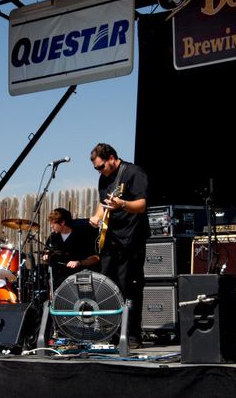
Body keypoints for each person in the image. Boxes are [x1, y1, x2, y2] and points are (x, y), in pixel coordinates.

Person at [88, 143, 148, 348]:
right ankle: (110, 332)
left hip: (131, 238)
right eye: (96, 168)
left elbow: (141, 205)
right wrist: (96, 217)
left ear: (112, 158)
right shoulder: (104, 178)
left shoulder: (133, 173)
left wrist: (122, 204)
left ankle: (132, 335)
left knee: (129, 286)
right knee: (107, 286)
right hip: (110, 239)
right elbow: (103, 202)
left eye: (101, 166)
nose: (99, 171)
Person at [43, 208, 100, 292]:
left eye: (53, 224)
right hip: (59, 281)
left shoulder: (82, 236)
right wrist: (46, 256)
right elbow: (46, 251)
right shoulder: (53, 237)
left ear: (62, 222)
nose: (51, 226)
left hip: (79, 279)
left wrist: (79, 262)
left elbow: (96, 258)